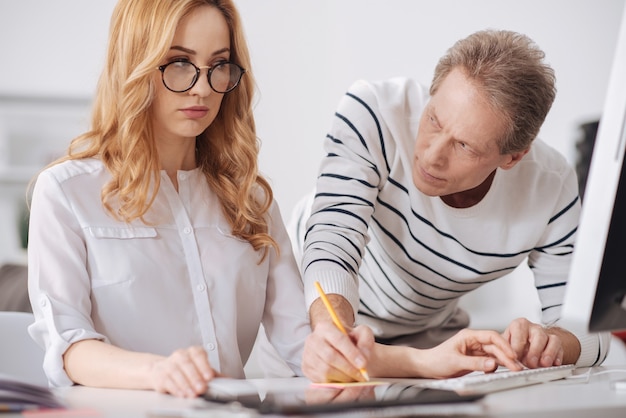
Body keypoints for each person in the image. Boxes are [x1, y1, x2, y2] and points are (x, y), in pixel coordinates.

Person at [26, 0, 311, 398]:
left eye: (219, 65)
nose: (202, 86)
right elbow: (69, 345)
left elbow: (301, 344)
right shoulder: (66, 192)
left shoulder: (252, 199)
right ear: (136, 63)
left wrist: (338, 350)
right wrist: (159, 372)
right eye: (179, 62)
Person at [291, 29, 610, 383]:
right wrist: (332, 333)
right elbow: (334, 237)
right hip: (312, 309)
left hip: (427, 337)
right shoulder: (374, 112)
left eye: (464, 146)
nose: (431, 155)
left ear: (513, 157)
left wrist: (552, 342)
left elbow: (591, 330)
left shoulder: (550, 187)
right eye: (433, 120)